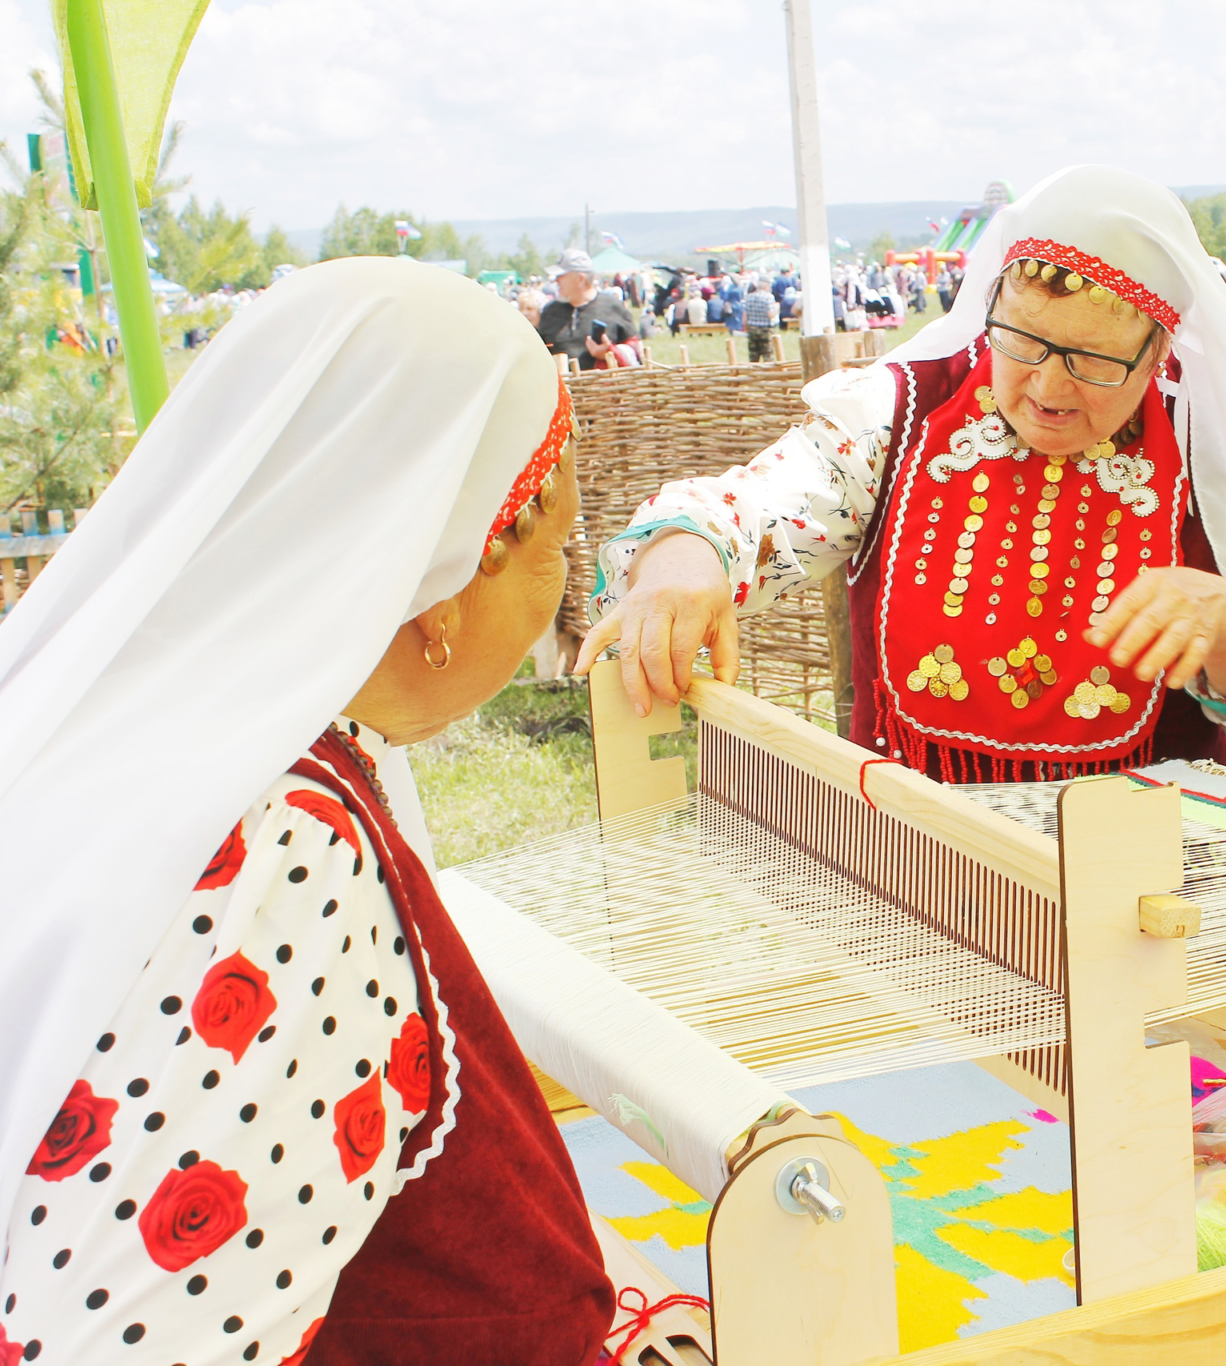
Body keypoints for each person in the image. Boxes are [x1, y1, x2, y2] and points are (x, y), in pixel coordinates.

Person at [0, 258, 623, 1361]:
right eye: (556, 545)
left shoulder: (131, 733)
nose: (553, 596)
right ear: (442, 588)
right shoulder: (280, 854)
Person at [577, 164, 1226, 783]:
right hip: (922, 875)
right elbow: (763, 502)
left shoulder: (1202, 458)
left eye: (1094, 361)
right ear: (991, 305)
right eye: (1023, 342)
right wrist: (686, 558)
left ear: (1159, 352)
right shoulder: (902, 414)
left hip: (1145, 890)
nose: (1048, 388)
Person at [534, 248, 636, 371]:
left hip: (604, 388)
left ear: (580, 279)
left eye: (561, 276)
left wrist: (609, 353)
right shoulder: (550, 311)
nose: (556, 280)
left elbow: (635, 350)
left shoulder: (613, 307)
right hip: (560, 389)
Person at [742, 279, 780, 361]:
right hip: (765, 329)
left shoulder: (749, 297)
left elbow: (745, 316)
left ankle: (753, 372)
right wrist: (777, 308)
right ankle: (768, 372)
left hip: (752, 328)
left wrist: (746, 328)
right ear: (766, 286)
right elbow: (770, 315)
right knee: (768, 354)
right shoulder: (769, 297)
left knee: (753, 355)